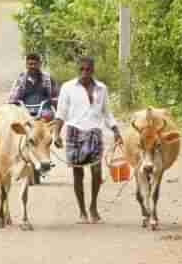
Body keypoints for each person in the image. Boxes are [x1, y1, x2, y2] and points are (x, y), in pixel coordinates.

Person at [52, 55, 121, 224]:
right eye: (81, 69)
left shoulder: (101, 89)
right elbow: (61, 113)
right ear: (78, 70)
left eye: (88, 69)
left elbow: (106, 112)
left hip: (94, 132)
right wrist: (56, 134)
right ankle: (82, 211)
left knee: (97, 172)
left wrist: (116, 130)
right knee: (78, 173)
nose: (84, 72)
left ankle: (93, 207)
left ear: (93, 70)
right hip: (74, 132)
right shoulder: (68, 87)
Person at [8, 52, 59, 119]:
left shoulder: (48, 78)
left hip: (44, 110)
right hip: (24, 110)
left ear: (40, 64)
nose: (33, 66)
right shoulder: (21, 78)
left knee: (48, 117)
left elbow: (55, 97)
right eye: (30, 64)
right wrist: (13, 105)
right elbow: (12, 98)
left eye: (35, 64)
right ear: (26, 65)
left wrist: (57, 109)